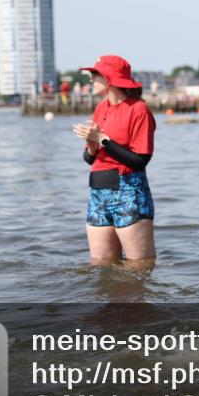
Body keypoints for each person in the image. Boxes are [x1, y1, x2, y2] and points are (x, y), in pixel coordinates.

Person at [73, 55, 157, 270]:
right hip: (98, 195)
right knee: (102, 267)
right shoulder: (101, 108)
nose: (91, 79)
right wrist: (92, 146)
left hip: (128, 193)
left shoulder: (138, 110)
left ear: (111, 78)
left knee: (139, 266)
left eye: (95, 74)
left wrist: (103, 140)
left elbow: (140, 161)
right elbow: (89, 159)